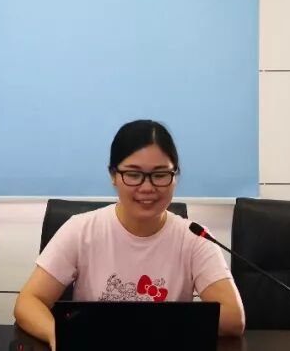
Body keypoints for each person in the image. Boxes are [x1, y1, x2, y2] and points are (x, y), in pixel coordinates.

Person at [13, 120, 246, 349]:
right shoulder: (81, 230)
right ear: (113, 175)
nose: (147, 187)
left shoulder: (195, 238)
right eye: (133, 175)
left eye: (160, 174)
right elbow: (28, 301)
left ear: (175, 176)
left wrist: (150, 328)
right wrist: (57, 335)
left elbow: (234, 319)